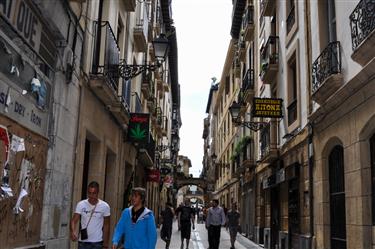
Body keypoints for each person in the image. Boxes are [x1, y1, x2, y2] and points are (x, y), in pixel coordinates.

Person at [70, 181, 111, 249]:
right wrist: (72, 231)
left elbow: (106, 225)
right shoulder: (81, 204)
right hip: (83, 243)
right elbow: (74, 220)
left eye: (94, 193)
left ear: (98, 193)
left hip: (97, 243)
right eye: (89, 193)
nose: (91, 196)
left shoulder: (105, 206)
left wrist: (105, 244)